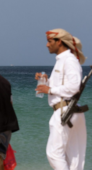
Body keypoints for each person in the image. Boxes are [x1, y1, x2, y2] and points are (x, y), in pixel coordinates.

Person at [35, 28, 87, 170]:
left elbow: (74, 87)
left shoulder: (69, 60)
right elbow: (62, 85)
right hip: (70, 111)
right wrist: (46, 81)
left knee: (54, 153)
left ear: (59, 42)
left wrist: (50, 90)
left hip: (65, 111)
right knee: (73, 156)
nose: (47, 45)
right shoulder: (62, 60)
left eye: (49, 41)